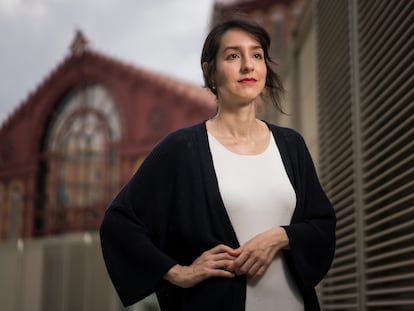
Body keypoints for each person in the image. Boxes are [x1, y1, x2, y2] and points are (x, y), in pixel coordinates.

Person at [100, 17, 336, 311]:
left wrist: (281, 236)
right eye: (233, 55)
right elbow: (118, 223)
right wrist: (179, 272)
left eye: (257, 55)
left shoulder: (291, 146)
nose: (248, 65)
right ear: (209, 71)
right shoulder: (181, 150)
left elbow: (322, 225)